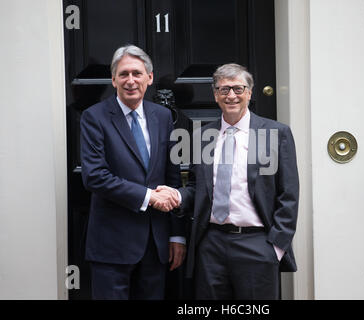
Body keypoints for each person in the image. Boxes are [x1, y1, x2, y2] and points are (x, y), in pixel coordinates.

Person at [159, 63, 299, 299]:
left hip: (257, 243)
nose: (231, 95)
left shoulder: (276, 133)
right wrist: (178, 196)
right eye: (224, 90)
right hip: (211, 244)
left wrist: (275, 246)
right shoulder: (203, 136)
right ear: (215, 95)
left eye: (238, 89)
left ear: (249, 93)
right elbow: (196, 187)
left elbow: (289, 194)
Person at [80, 45, 185, 300]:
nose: (130, 81)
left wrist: (177, 234)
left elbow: (172, 177)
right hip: (111, 246)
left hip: (156, 245)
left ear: (149, 78)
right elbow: (94, 176)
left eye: (137, 73)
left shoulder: (162, 116)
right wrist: (149, 197)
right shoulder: (94, 117)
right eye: (123, 74)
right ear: (113, 79)